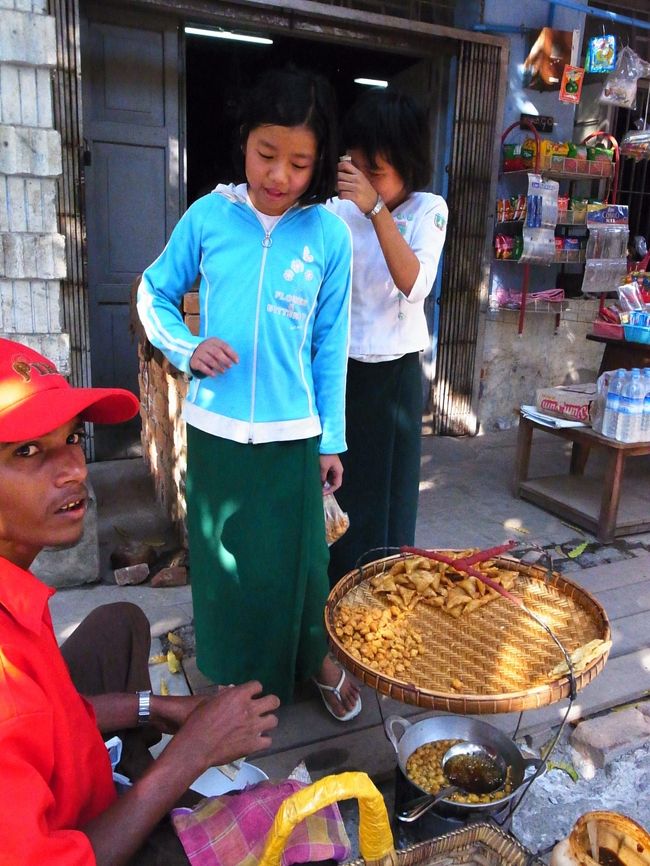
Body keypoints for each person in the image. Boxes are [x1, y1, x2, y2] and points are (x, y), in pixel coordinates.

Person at [0, 336, 280, 865]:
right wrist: (191, 754)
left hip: (68, 771)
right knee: (264, 831)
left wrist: (159, 708)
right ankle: (138, 788)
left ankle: (127, 770)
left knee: (120, 623)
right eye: (28, 451)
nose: (75, 470)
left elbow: (54, 716)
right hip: (73, 845)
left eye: (72, 439)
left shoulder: (15, 590)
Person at [137, 67, 360, 721]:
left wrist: (332, 438)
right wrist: (185, 348)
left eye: (298, 162)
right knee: (223, 565)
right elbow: (154, 292)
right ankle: (227, 672)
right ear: (245, 143)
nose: (279, 176)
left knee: (301, 567)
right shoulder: (208, 216)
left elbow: (330, 344)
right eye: (267, 154)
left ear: (318, 163)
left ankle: (312, 658)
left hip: (294, 438)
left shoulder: (328, 236)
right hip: (216, 432)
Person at [326, 88, 448, 584]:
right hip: (340, 373)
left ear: (408, 165)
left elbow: (415, 284)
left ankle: (385, 599)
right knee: (340, 493)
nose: (363, 180)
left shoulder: (428, 210)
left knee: (390, 502)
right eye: (356, 166)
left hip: (395, 376)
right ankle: (337, 601)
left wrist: (376, 208)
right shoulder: (337, 212)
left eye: (376, 170)